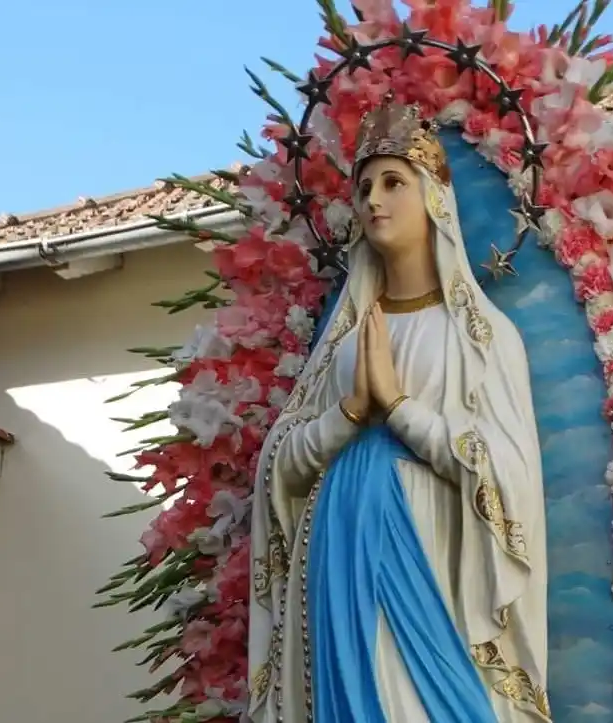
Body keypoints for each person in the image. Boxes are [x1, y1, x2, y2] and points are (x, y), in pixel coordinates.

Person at [246, 99, 550, 723]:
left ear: (435, 197)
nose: (373, 200)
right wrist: (351, 412)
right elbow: (280, 465)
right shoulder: (344, 342)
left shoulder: (482, 338)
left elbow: (508, 475)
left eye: (392, 182)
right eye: (363, 188)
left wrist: (403, 410)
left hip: (435, 563)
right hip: (337, 558)